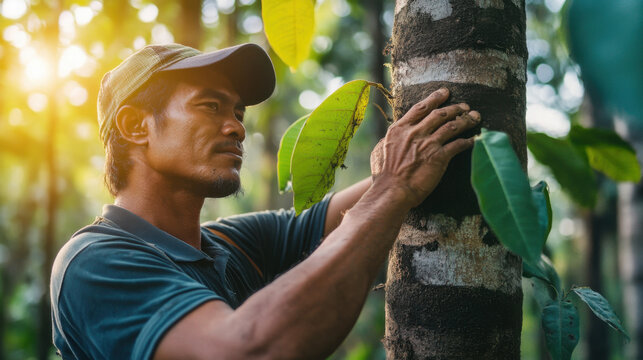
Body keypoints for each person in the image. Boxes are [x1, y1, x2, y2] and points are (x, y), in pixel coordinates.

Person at [50, 43, 480, 359]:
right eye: (210, 106)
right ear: (135, 126)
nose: (236, 128)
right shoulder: (94, 261)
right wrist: (391, 190)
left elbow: (367, 198)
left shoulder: (232, 245)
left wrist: (416, 157)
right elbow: (246, 351)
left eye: (237, 113)